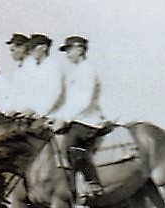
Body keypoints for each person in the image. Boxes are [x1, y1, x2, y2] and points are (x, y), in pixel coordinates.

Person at [47, 35, 107, 197]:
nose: (67, 54)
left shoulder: (88, 70)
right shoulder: (74, 72)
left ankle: (92, 182)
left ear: (80, 50)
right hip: (77, 118)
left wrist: (64, 119)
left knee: (71, 143)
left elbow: (84, 101)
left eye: (69, 50)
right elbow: (69, 102)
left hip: (89, 119)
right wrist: (55, 117)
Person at [13, 34, 63, 117]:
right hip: (32, 114)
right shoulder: (36, 68)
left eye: (33, 48)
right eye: (29, 48)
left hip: (48, 115)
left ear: (44, 48)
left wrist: (37, 110)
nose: (30, 51)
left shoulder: (53, 68)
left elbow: (54, 94)